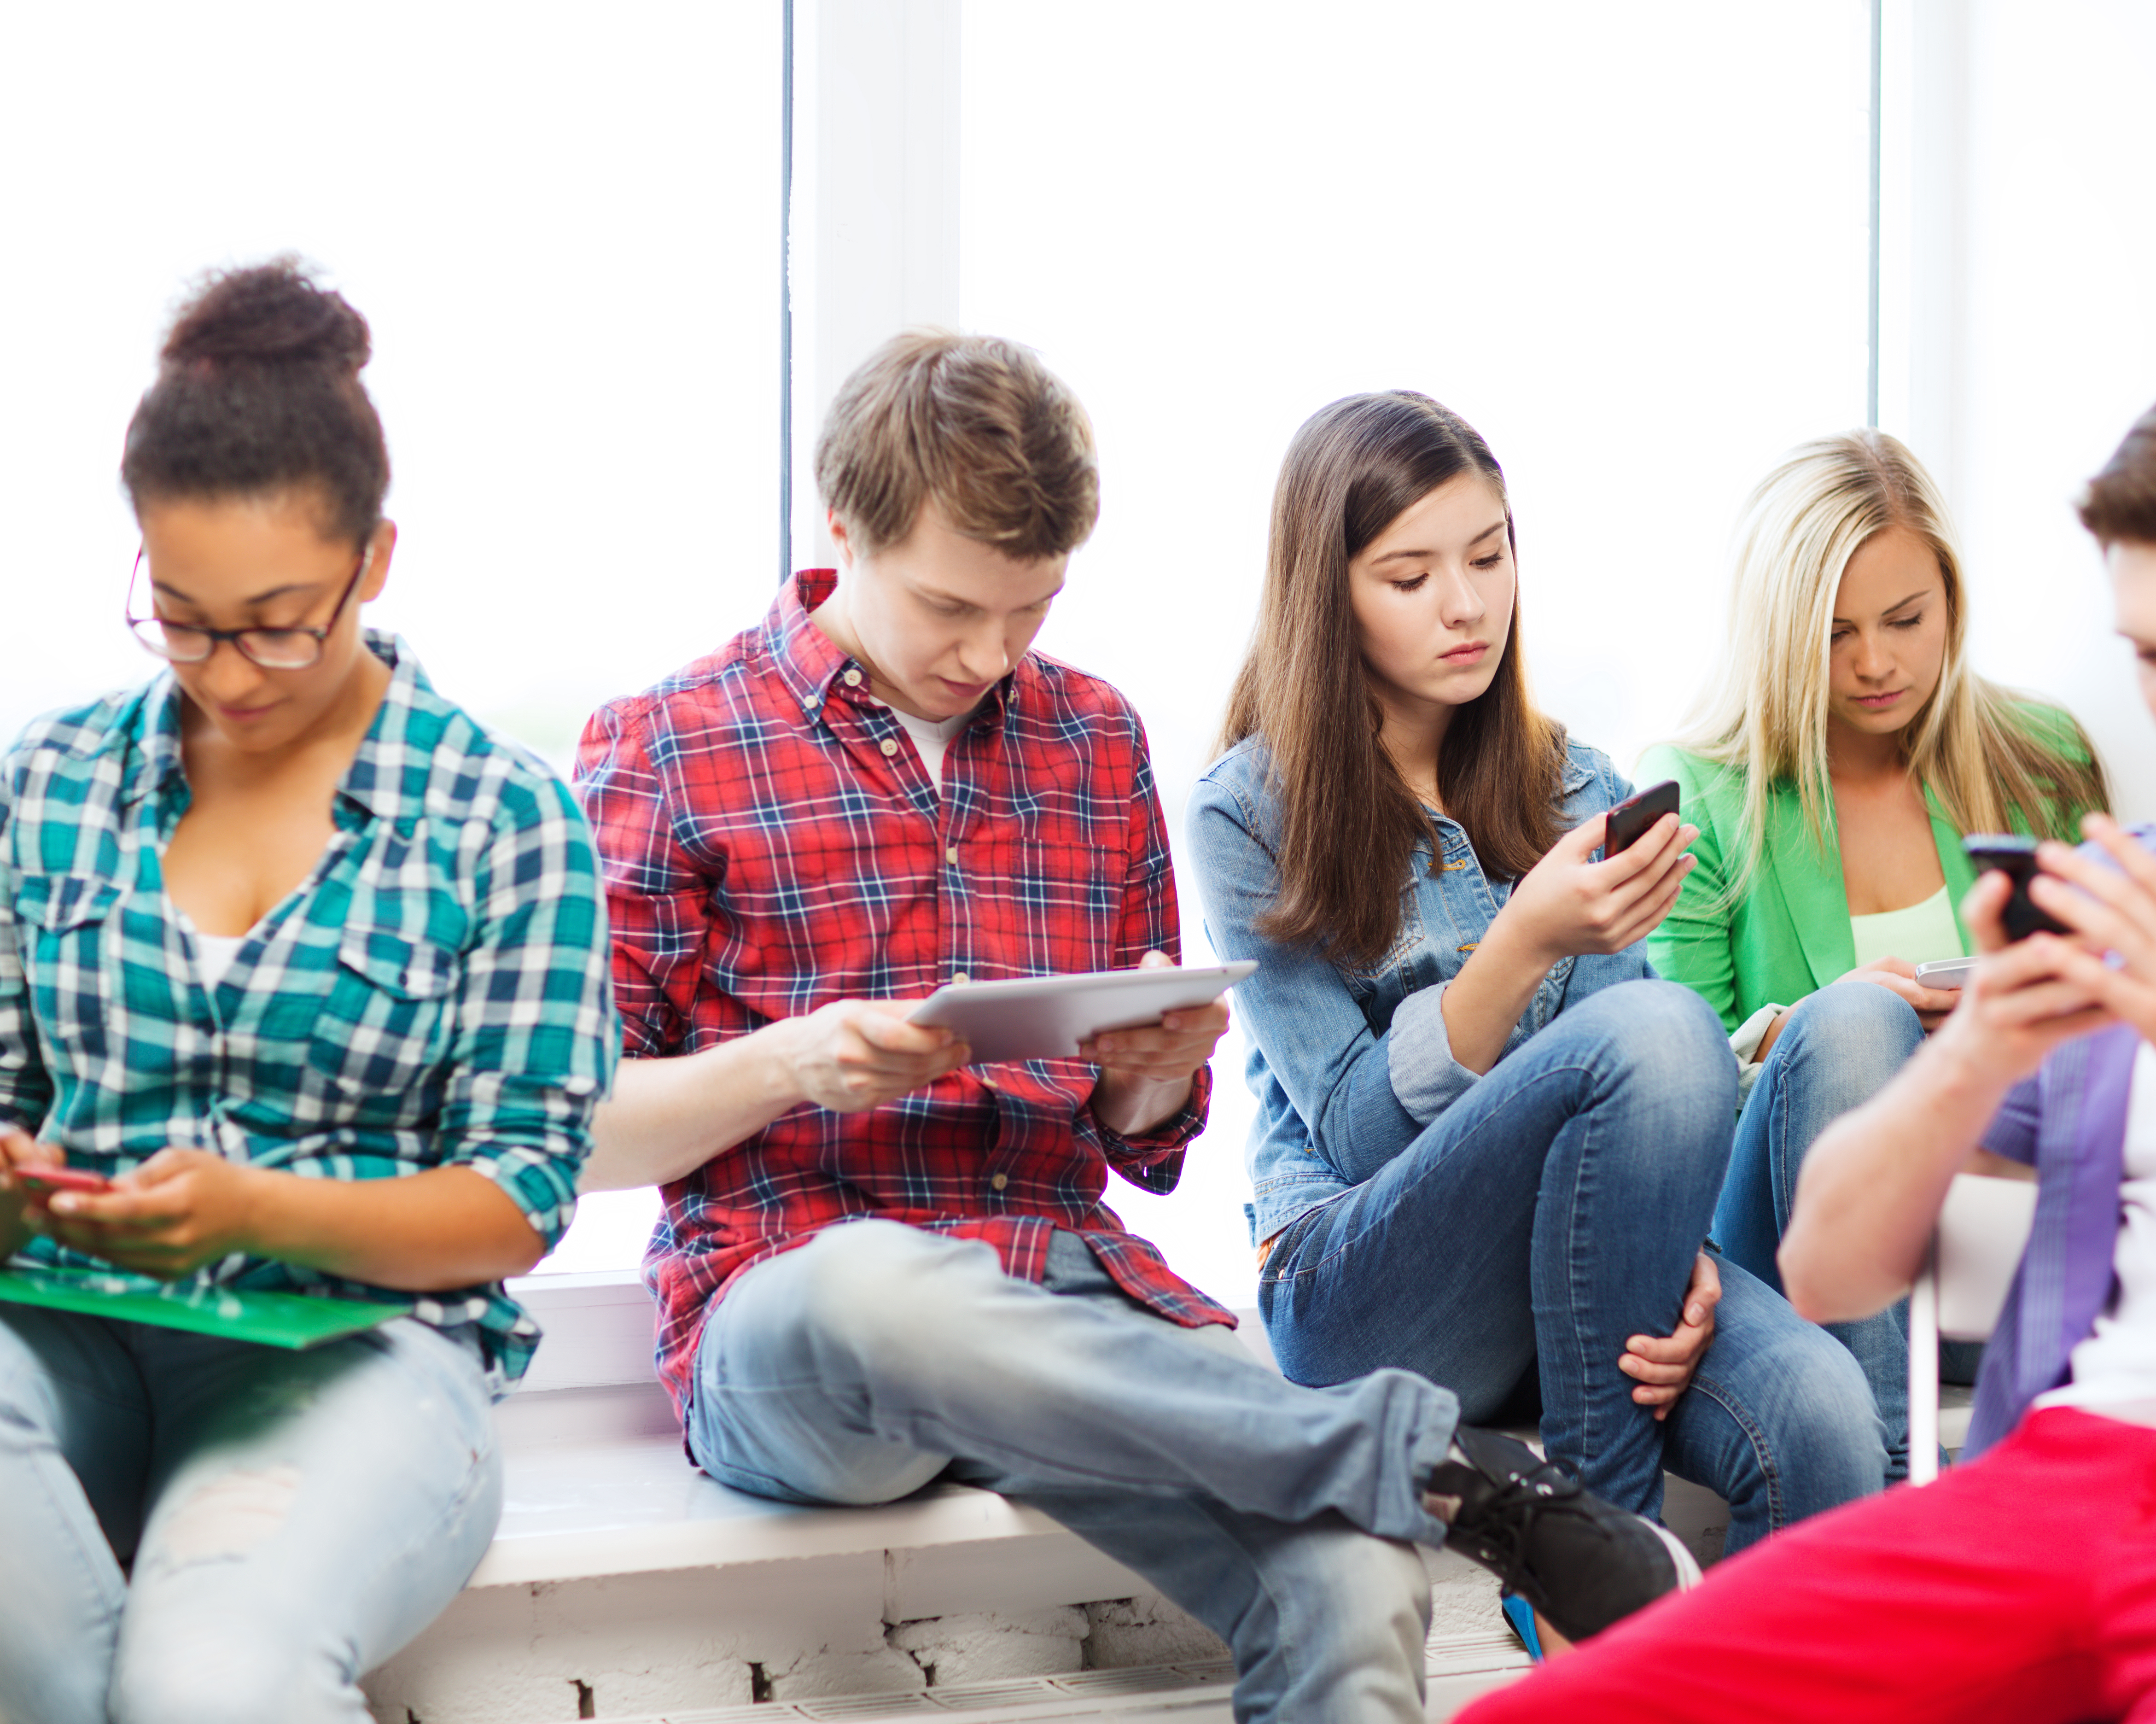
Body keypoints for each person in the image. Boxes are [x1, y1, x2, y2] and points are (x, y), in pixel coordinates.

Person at [571, 334, 1700, 1724]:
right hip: (796, 1313)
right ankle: (1429, 1461)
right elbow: (573, 1132)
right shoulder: (670, 741)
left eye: (1031, 609)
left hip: (1061, 1302)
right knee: (873, 1288)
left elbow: (1143, 1154)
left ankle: (1403, 1486)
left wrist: (1147, 1087)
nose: (989, 655)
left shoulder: (1091, 737)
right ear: (843, 528)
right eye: (950, 608)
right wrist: (789, 1062)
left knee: (1353, 1584)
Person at [1458, 374, 2156, 1724]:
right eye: (2149, 656)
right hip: (2054, 1487)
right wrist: (1976, 1045)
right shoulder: (2126, 885)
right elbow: (1822, 1269)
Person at [0, 261, 618, 1724]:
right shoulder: (48, 780)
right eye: (182, 615)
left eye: (279, 618)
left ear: (375, 559)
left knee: (212, 1683)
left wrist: (256, 1208)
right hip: (64, 1324)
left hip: (356, 1356)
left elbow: (519, 1197)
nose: (230, 673)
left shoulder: (503, 818)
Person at [1189, 391, 1887, 1621]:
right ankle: (1589, 1550)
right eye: (1409, 575)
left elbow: (1654, 1110)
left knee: (1823, 1421)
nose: (1466, 605)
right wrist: (1521, 939)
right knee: (1655, 1027)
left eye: (1487, 555)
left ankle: (1709, 1683)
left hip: (1581, 1279)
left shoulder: (1579, 784)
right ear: (1324, 591)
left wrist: (1682, 1266)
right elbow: (1355, 1132)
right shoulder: (1246, 815)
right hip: (1368, 1296)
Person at [1639, 431, 2104, 1474]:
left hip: (1997, 1225)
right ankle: (1887, 1500)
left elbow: (2109, 1031)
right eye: (1834, 632)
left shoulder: (2039, 762)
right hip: (1805, 1244)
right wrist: (1813, 1026)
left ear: (1950, 600)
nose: (1875, 663)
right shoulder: (1704, 795)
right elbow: (1666, 1086)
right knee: (1855, 1023)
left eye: (1905, 620)